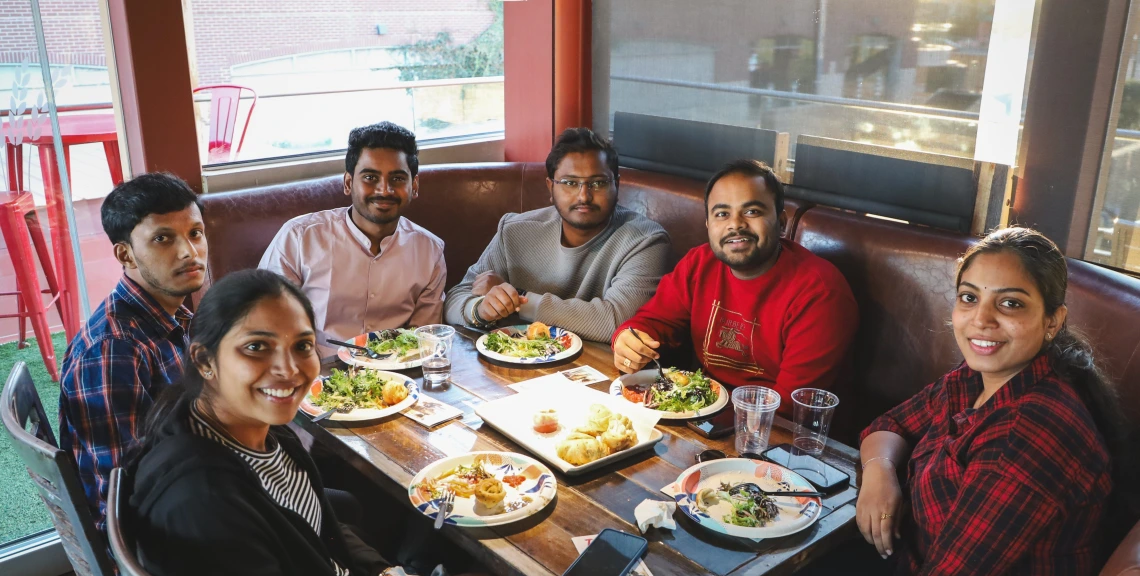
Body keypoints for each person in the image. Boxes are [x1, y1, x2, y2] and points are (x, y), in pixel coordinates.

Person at [128, 270, 567, 576]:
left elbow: (318, 526)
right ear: (205, 361)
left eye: (301, 346)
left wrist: (384, 574)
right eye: (256, 347)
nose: (288, 370)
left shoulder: (253, 426)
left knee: (420, 533)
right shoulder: (201, 500)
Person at [807, 227, 1131, 576]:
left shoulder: (1034, 433)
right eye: (969, 297)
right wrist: (881, 473)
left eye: (1011, 303)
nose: (982, 319)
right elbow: (892, 423)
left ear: (1053, 320)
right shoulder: (978, 378)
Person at [611, 159, 857, 414]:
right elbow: (651, 322)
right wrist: (628, 339)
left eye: (752, 211)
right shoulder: (699, 263)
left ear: (781, 222)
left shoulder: (821, 293)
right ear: (708, 225)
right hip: (704, 413)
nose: (735, 224)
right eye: (721, 214)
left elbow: (788, 407)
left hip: (779, 436)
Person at [59, 172, 207, 532]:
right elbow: (123, 492)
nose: (189, 251)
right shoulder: (115, 351)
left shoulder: (172, 317)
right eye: (162, 239)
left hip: (191, 490)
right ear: (125, 254)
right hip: (155, 539)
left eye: (195, 233)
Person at [444, 127, 670, 342]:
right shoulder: (515, 230)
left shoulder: (645, 240)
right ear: (550, 188)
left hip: (597, 373)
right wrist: (480, 310)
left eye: (598, 183)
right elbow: (455, 299)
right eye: (570, 183)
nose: (584, 196)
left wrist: (519, 300)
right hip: (517, 364)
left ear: (617, 186)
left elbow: (617, 321)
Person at [259, 121, 445, 350]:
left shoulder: (430, 251)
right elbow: (268, 321)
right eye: (370, 177)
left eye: (397, 178)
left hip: (396, 375)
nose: (384, 189)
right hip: (316, 371)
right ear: (348, 183)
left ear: (414, 186)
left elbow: (424, 339)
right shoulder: (299, 238)